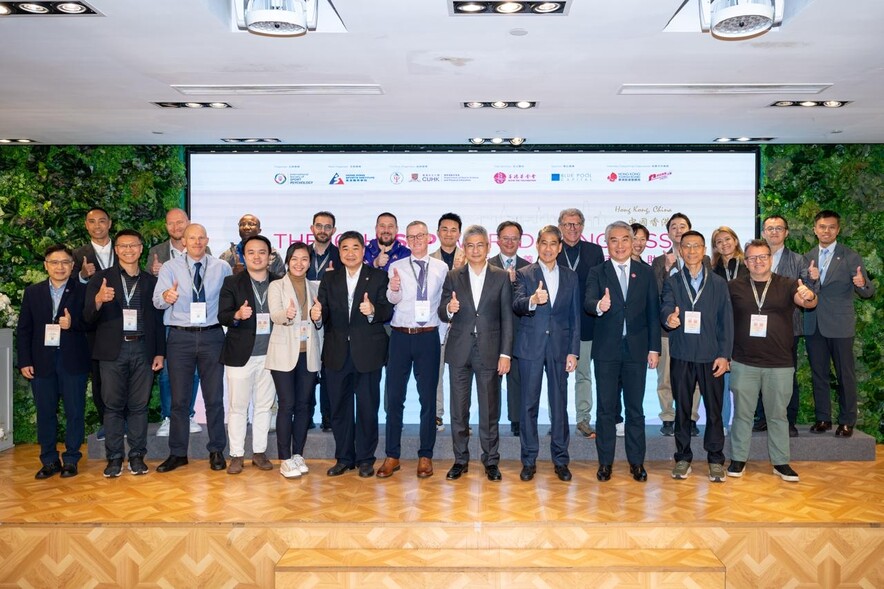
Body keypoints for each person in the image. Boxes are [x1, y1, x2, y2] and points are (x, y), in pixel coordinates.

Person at [728, 240, 818, 482]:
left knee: (778, 415)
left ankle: (781, 462)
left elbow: (807, 302)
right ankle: (738, 459)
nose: (758, 261)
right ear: (745, 262)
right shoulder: (733, 287)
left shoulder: (788, 284)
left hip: (779, 363)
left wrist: (809, 296)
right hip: (743, 361)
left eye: (763, 256)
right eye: (753, 258)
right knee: (742, 414)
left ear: (770, 258)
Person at [311, 231, 393, 477]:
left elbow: (387, 310)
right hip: (336, 352)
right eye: (344, 248)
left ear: (362, 250)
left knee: (368, 408)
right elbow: (322, 310)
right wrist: (317, 317)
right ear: (340, 251)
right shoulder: (330, 279)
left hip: (368, 353)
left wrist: (372, 311)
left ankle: (366, 458)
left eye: (355, 248)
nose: (349, 253)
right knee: (339, 408)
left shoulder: (378, 276)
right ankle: (344, 457)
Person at [84, 230, 165, 477]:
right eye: (123, 246)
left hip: (143, 348)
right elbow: (87, 318)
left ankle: (138, 456)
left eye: (133, 245)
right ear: (116, 250)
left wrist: (159, 353)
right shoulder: (101, 279)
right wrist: (98, 300)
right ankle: (115, 458)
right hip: (112, 351)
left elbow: (159, 322)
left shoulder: (152, 282)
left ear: (141, 249)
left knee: (139, 406)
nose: (128, 250)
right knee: (113, 407)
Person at [152, 223, 232, 472]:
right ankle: (178, 453)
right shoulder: (169, 267)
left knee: (214, 398)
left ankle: (217, 450)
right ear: (183, 241)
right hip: (180, 337)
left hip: (212, 336)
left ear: (207, 240)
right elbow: (156, 302)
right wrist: (166, 297)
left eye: (201, 238)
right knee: (179, 400)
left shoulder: (222, 267)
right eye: (192, 238)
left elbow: (230, 301)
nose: (197, 242)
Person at [586, 221, 661, 483]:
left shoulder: (645, 272)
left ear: (632, 242)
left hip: (637, 351)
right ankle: (605, 462)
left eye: (624, 240)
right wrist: (599, 305)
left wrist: (654, 348)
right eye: (613, 240)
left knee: (635, 409)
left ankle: (636, 463)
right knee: (606, 410)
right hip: (606, 351)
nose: (619, 245)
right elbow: (588, 302)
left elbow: (653, 312)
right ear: (607, 244)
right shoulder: (598, 271)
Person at [439, 225, 513, 482]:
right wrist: (449, 307)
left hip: (491, 352)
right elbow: (441, 311)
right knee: (459, 410)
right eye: (469, 245)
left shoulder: (501, 276)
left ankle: (491, 460)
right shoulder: (453, 275)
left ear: (488, 247)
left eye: (480, 245)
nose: (475, 250)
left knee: (490, 410)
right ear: (464, 248)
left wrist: (506, 354)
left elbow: (507, 318)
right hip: (459, 351)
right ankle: (460, 459)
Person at [660, 231, 733, 483]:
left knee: (714, 410)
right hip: (681, 354)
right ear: (680, 250)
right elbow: (666, 305)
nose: (691, 251)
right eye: (686, 246)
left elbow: (726, 322)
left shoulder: (718, 283)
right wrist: (669, 318)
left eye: (696, 246)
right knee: (682, 410)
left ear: (704, 250)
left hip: (711, 356)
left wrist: (724, 355)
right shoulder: (673, 281)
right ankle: (682, 457)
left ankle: (715, 459)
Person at [377, 221, 447, 479]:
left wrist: (439, 334)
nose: (416, 240)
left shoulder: (441, 267)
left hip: (428, 337)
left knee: (428, 399)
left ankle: (425, 455)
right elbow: (392, 299)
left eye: (421, 235)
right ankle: (392, 455)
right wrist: (393, 289)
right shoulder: (396, 266)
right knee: (394, 398)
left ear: (429, 238)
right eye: (411, 236)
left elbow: (443, 304)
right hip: (400, 336)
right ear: (406, 240)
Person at [512, 225, 580, 482]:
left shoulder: (571, 276)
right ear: (537, 246)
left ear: (560, 247)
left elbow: (575, 317)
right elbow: (516, 304)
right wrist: (533, 299)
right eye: (544, 243)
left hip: (560, 349)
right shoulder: (524, 273)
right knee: (528, 405)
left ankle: (561, 460)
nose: (549, 248)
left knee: (559, 405)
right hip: (530, 347)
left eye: (554, 243)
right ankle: (529, 460)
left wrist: (573, 352)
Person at [17, 245, 91, 479]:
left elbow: (92, 325)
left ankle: (70, 459)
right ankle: (49, 460)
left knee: (75, 412)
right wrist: (25, 360)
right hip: (42, 363)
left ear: (72, 266)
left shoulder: (83, 291)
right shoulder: (33, 292)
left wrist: (74, 324)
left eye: (65, 262)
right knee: (46, 413)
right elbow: (24, 330)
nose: (60, 267)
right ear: (46, 265)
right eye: (55, 262)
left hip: (73, 361)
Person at [803, 210, 875, 437]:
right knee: (819, 373)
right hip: (814, 324)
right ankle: (823, 418)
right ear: (815, 229)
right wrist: (811, 279)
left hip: (840, 325)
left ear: (838, 229)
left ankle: (847, 421)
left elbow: (867, 291)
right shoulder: (807, 256)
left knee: (845, 374)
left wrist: (863, 283)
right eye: (822, 227)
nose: (826, 231)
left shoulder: (850, 256)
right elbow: (804, 290)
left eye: (831, 227)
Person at [218, 235, 278, 475]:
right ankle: (236, 454)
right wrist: (237, 315)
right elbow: (222, 315)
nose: (257, 257)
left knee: (264, 406)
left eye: (262, 252)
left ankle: (260, 453)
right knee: (237, 407)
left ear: (269, 256)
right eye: (251, 252)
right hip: (239, 355)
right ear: (244, 256)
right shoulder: (232, 282)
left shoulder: (279, 282)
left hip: (271, 355)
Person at [147, 208, 205, 437]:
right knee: (168, 373)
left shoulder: (203, 249)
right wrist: (154, 274)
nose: (176, 227)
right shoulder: (157, 252)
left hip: (197, 321)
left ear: (188, 222)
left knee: (194, 371)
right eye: (170, 224)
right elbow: (148, 290)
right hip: (168, 321)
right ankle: (169, 417)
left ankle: (189, 415)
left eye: (180, 222)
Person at [266, 242, 322, 478]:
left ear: (309, 263)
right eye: (295, 259)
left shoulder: (315, 286)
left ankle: (298, 454)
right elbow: (275, 315)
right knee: (286, 405)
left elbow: (318, 323)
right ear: (288, 261)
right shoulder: (276, 286)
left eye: (304, 259)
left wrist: (318, 319)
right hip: (282, 355)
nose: (300, 263)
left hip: (308, 354)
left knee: (303, 407)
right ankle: (284, 458)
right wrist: (286, 315)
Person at [651, 213, 702, 437]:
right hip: (667, 330)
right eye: (674, 227)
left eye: (683, 226)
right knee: (666, 376)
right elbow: (655, 294)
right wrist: (667, 269)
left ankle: (690, 417)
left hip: (696, 329)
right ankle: (668, 417)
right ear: (668, 232)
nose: (678, 230)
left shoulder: (705, 260)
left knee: (695, 376)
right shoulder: (660, 261)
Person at [761, 214, 813, 437]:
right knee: (760, 373)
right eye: (769, 228)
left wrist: (813, 281)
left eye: (778, 228)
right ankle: (762, 418)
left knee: (786, 375)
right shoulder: (756, 257)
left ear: (786, 233)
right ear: (763, 233)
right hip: (758, 328)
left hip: (787, 328)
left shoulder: (798, 260)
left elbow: (807, 291)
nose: (774, 232)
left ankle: (788, 420)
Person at [556, 208, 605, 439]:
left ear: (583, 226)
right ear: (560, 227)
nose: (572, 228)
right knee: (558, 376)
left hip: (586, 323)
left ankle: (583, 419)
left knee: (583, 373)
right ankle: (559, 419)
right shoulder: (552, 249)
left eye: (576, 224)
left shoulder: (594, 251)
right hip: (558, 325)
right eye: (567, 224)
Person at [73, 207, 114, 440]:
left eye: (101, 221)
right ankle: (106, 421)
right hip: (94, 324)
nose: (97, 225)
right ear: (86, 225)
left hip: (122, 320)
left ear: (109, 223)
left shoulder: (124, 249)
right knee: (99, 376)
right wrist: (81, 276)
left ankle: (125, 420)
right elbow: (69, 288)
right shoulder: (79, 255)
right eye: (92, 221)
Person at [488, 220, 530, 437]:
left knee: (517, 379)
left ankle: (516, 419)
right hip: (492, 332)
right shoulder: (487, 265)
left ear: (520, 241)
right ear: (498, 240)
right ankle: (491, 420)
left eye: (514, 238)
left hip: (519, 331)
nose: (510, 242)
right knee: (492, 379)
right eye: (505, 238)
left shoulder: (529, 267)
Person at [430, 212, 465, 432]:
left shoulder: (471, 257)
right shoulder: (429, 259)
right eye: (445, 229)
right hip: (438, 322)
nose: (449, 233)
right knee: (437, 371)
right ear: (438, 232)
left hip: (464, 325)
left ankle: (461, 417)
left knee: (461, 374)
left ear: (459, 233)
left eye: (453, 230)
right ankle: (437, 414)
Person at [710, 225, 748, 434]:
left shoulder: (748, 264)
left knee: (742, 383)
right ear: (715, 247)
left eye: (727, 239)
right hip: (719, 329)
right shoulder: (711, 269)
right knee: (721, 380)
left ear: (735, 240)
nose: (724, 244)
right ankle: (723, 423)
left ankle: (742, 423)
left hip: (743, 328)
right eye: (719, 242)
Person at [307, 211, 340, 433]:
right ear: (312, 229)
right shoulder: (301, 254)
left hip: (332, 319)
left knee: (329, 369)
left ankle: (329, 418)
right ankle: (306, 416)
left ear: (333, 231)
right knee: (307, 369)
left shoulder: (341, 256)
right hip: (304, 318)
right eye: (319, 226)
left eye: (328, 227)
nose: (323, 230)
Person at [219, 214, 285, 278]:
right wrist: (233, 273)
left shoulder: (273, 254)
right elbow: (219, 282)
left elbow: (281, 281)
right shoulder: (226, 256)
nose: (246, 227)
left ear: (259, 230)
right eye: (242, 224)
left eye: (251, 224)